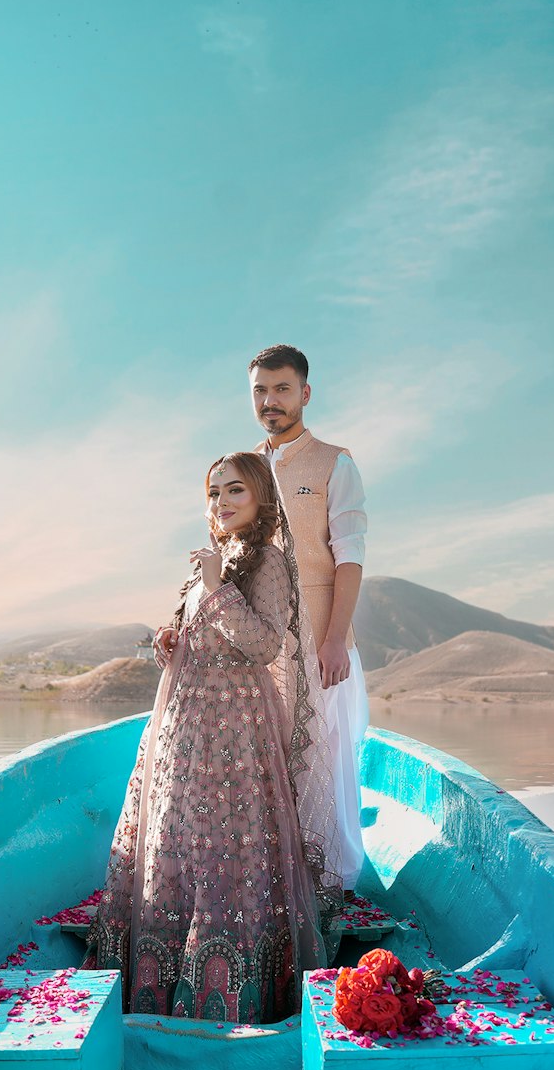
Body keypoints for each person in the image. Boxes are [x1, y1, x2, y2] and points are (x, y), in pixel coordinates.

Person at [84, 452, 341, 1022]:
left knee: (226, 841)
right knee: (180, 838)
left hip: (237, 730)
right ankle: (163, 971)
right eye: (213, 492)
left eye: (236, 492)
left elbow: (265, 646)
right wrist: (171, 643)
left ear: (261, 501)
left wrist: (219, 588)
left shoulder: (268, 562)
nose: (221, 503)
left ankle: (229, 982)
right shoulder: (214, 559)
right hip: (185, 722)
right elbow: (207, 636)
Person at [249, 344, 369, 893]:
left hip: (322, 639)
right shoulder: (244, 468)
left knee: (326, 754)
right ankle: (273, 875)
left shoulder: (333, 462)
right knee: (264, 756)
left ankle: (332, 881)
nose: (270, 401)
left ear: (305, 393)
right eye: (260, 391)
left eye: (281, 389)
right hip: (260, 642)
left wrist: (335, 641)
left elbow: (349, 558)